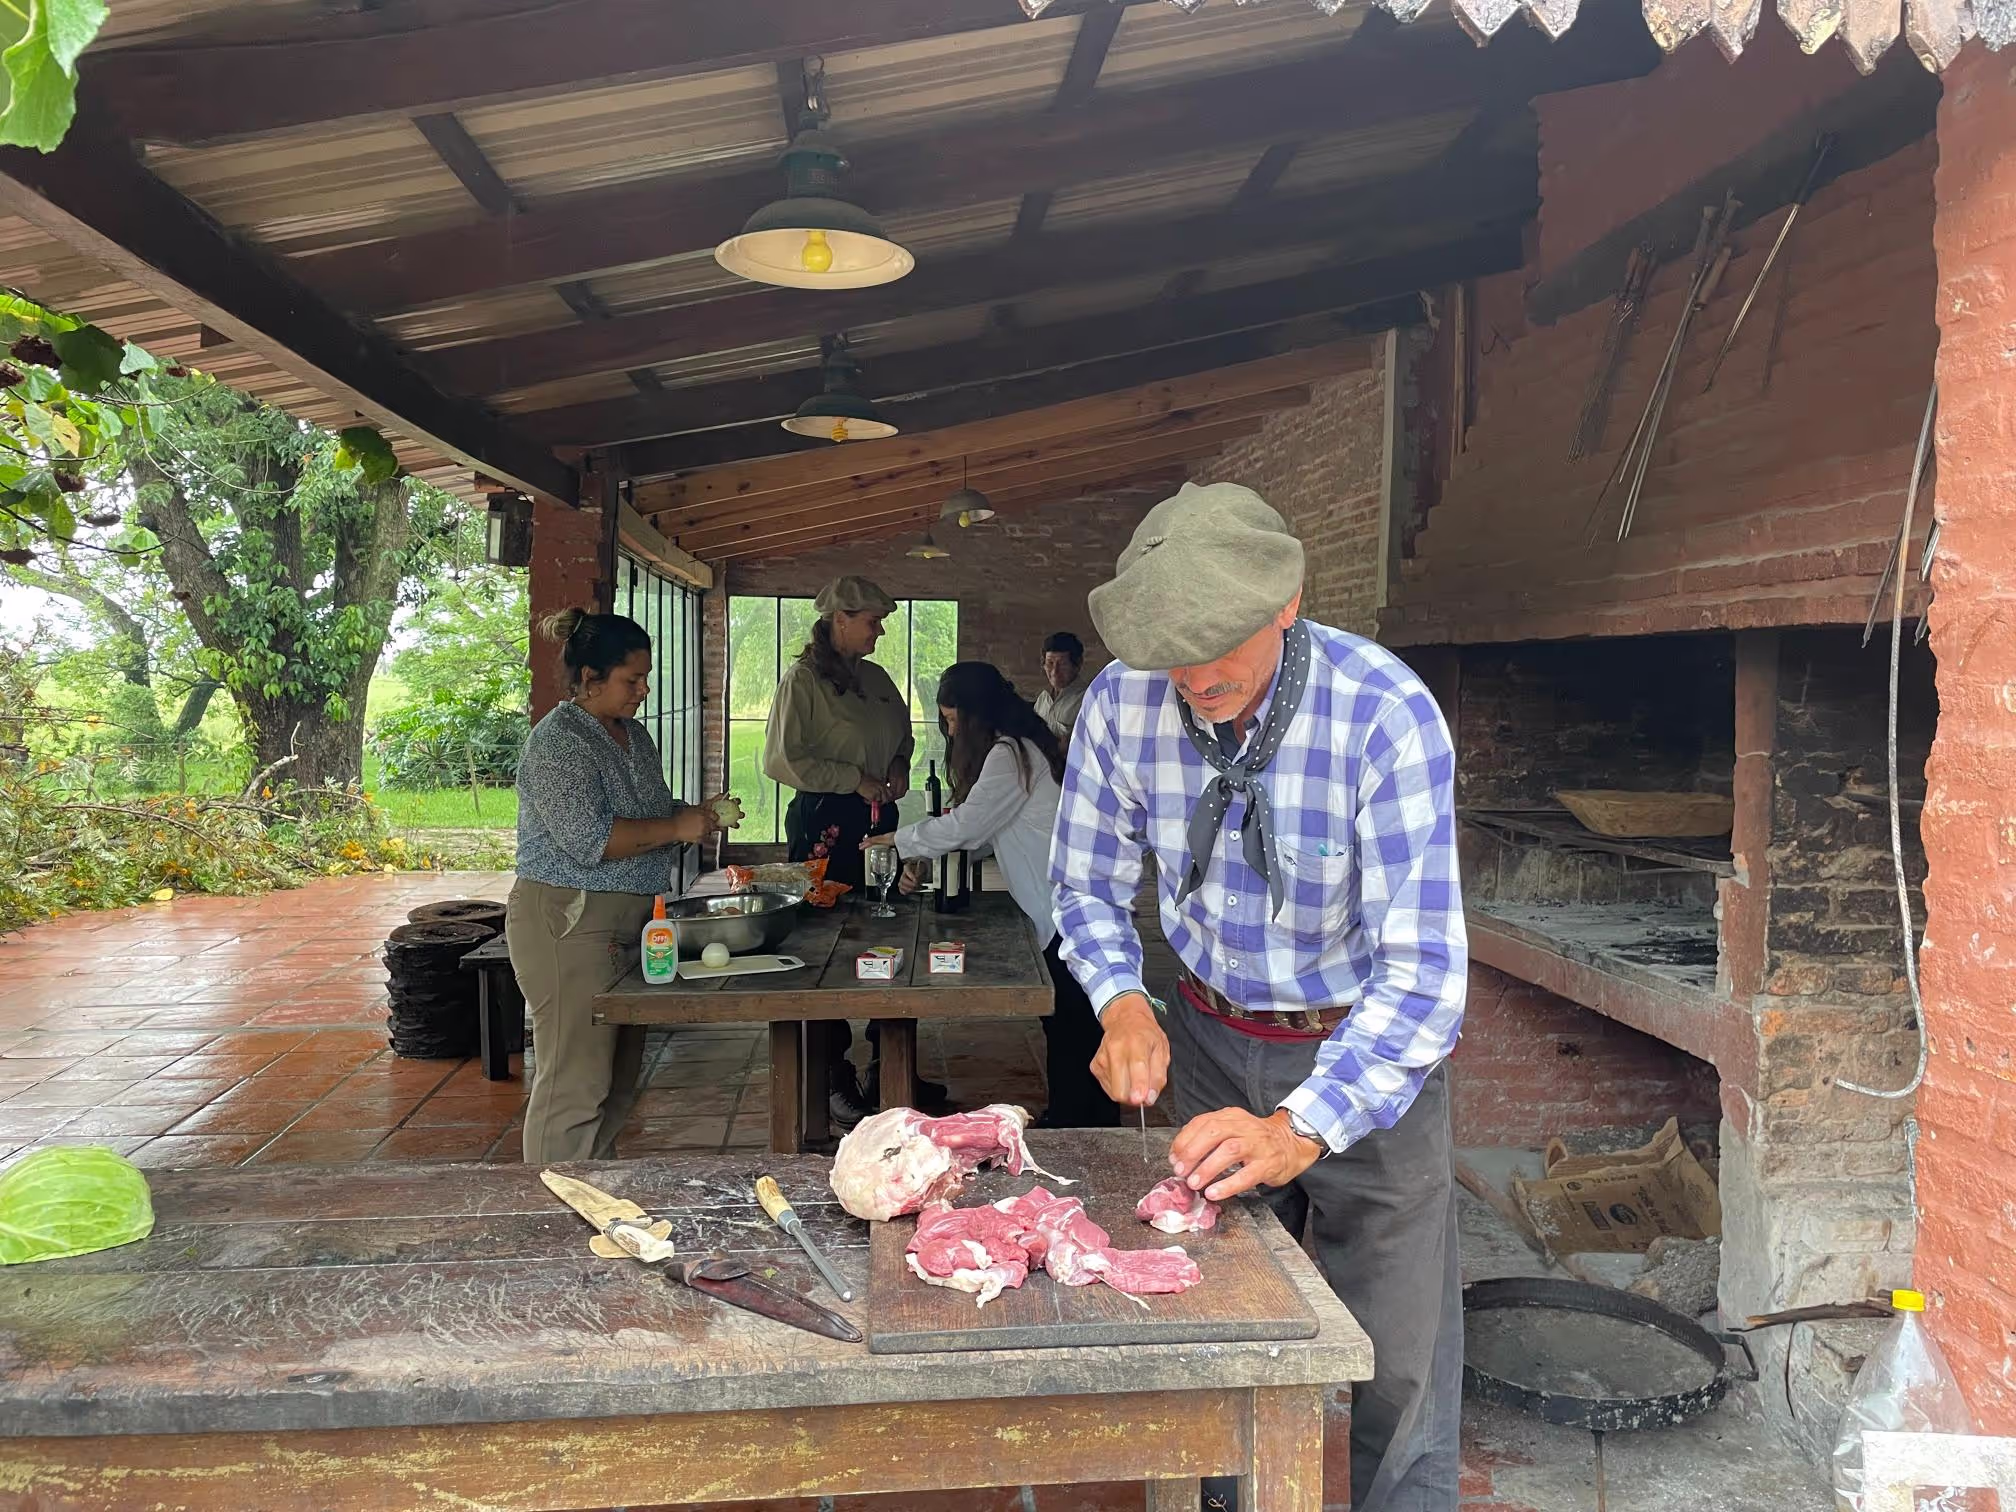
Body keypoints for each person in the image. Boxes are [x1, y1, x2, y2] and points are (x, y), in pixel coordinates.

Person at [1050, 481, 1467, 1512]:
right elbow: (1084, 884)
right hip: (1202, 1030)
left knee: (1397, 1354)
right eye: (1168, 650)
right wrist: (1120, 1000)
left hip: (1367, 1052)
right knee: (1212, 1318)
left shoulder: (1385, 715)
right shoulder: (1119, 702)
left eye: (1218, 644)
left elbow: (1424, 978)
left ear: (1287, 604)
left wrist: (1302, 1127)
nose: (1193, 676)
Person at [509, 607, 739, 1165]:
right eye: (630, 679)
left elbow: (651, 818)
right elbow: (589, 837)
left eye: (645, 678)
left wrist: (697, 816)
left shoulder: (632, 735)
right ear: (589, 678)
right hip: (570, 919)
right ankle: (545, 1220)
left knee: (614, 1085)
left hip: (630, 921)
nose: (642, 690)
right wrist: (679, 827)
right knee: (574, 1085)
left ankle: (594, 1200)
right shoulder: (559, 742)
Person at [862, 662, 1118, 1129]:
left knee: (1072, 1028)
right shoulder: (1023, 746)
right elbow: (982, 833)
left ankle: (1080, 1126)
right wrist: (926, 856)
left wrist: (898, 841)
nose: (950, 730)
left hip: (1066, 910)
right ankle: (1078, 1118)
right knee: (1069, 1025)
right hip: (1069, 907)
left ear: (975, 715)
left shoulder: (1008, 754)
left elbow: (969, 825)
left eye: (954, 720)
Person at [763, 574, 917, 1127]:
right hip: (826, 821)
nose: (879, 633)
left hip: (880, 817)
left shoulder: (875, 678)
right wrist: (852, 779)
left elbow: (902, 736)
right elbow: (781, 760)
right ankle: (831, 1073)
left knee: (887, 931)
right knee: (825, 944)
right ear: (839, 621)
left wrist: (898, 764)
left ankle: (890, 1062)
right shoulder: (802, 681)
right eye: (872, 623)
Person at [1033, 630, 1087, 739]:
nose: (1054, 672)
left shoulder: (1086, 699)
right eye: (1050, 663)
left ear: (1078, 664)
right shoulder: (1043, 699)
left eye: (1062, 664)